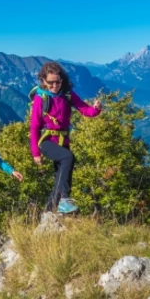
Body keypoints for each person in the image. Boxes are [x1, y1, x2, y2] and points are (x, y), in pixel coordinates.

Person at [28, 61, 102, 214]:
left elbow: (84, 109)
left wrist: (95, 110)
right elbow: (34, 126)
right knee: (68, 158)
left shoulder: (67, 94)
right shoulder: (40, 99)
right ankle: (65, 200)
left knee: (61, 180)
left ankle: (48, 212)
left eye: (58, 82)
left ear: (62, 80)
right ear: (43, 81)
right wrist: (35, 153)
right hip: (47, 141)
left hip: (63, 141)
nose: (54, 85)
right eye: (50, 82)